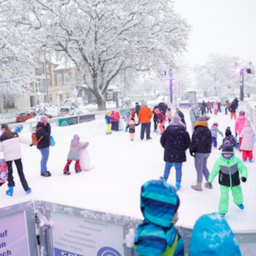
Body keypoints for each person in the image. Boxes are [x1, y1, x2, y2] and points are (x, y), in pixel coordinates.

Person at [134, 180, 184, 256]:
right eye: (174, 210)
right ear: (164, 213)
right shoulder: (154, 237)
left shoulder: (162, 231)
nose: (177, 213)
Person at [208, 142, 247, 216]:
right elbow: (214, 171)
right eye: (225, 153)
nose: (227, 155)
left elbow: (243, 168)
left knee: (237, 193)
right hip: (224, 182)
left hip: (235, 180)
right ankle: (222, 211)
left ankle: (239, 203)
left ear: (232, 153)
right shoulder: (219, 161)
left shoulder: (236, 160)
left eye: (229, 154)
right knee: (224, 196)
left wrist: (244, 176)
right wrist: (210, 180)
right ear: (222, 153)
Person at [160, 114, 190, 190]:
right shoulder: (183, 131)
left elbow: (162, 141)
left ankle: (164, 180)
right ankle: (178, 183)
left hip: (169, 152)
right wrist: (182, 148)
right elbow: (188, 142)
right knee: (178, 168)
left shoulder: (167, 131)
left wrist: (167, 147)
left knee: (167, 167)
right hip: (179, 152)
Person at [0, 124, 31, 196]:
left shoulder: (1, 137)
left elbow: (1, 149)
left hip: (8, 158)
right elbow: (24, 140)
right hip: (17, 156)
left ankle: (10, 189)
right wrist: (31, 143)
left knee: (10, 173)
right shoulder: (15, 134)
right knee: (20, 172)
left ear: (2, 129)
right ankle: (27, 188)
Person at [189, 116, 212, 191]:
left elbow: (195, 141)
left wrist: (191, 149)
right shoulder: (207, 129)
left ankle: (199, 185)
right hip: (207, 151)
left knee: (199, 168)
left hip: (199, 151)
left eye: (197, 120)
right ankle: (209, 182)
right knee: (204, 167)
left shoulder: (198, 130)